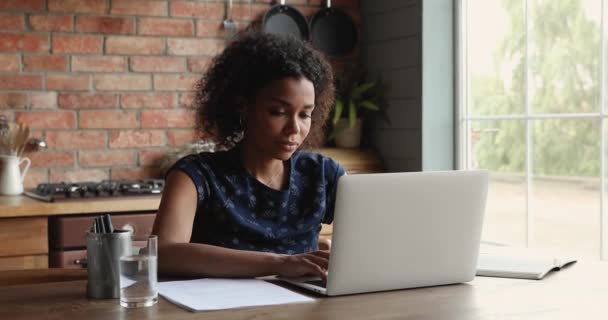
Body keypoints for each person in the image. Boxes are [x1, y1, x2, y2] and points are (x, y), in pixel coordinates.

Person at [152, 32, 345, 281]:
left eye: (304, 114)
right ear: (244, 107)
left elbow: (374, 240)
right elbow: (164, 254)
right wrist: (279, 263)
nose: (294, 129)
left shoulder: (323, 174)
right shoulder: (195, 176)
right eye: (278, 112)